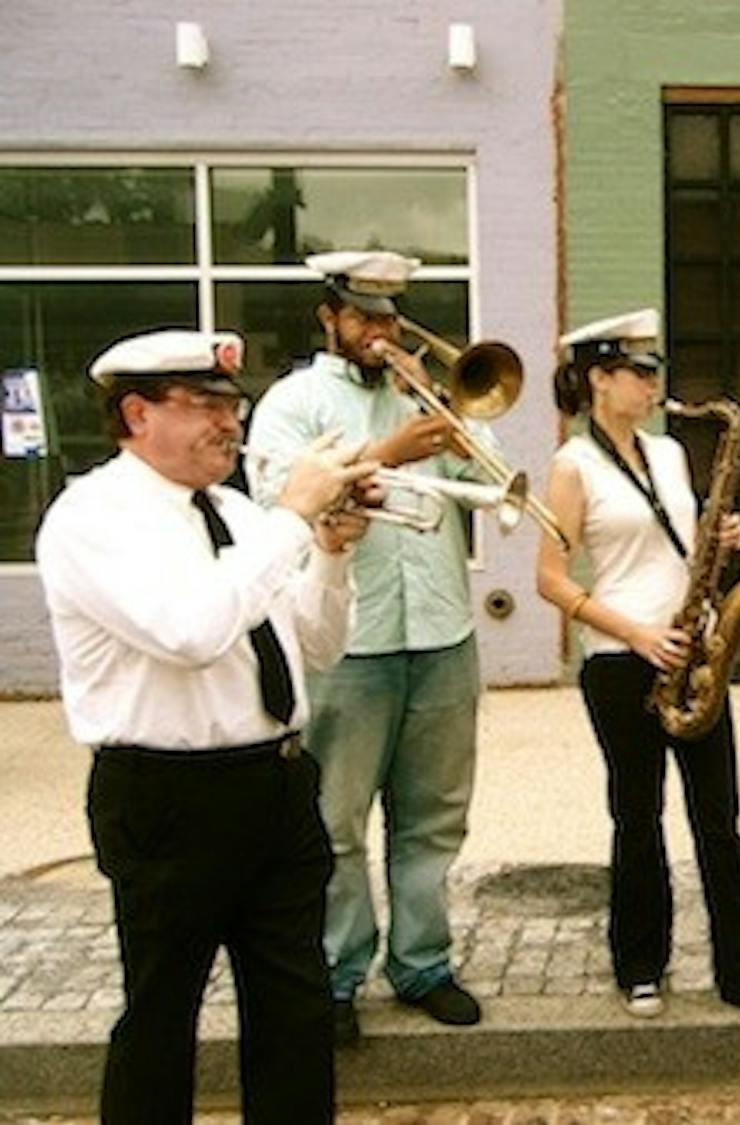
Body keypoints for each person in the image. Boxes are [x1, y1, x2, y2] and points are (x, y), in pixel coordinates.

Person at [35, 329, 377, 1124]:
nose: (230, 423)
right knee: (161, 1016)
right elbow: (190, 631)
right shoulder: (92, 517)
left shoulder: (235, 512)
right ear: (136, 413)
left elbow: (316, 647)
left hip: (277, 782)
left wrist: (328, 551)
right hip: (166, 794)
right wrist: (295, 515)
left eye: (233, 405)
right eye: (206, 405)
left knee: (295, 1014)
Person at [535, 308, 740, 1021]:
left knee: (720, 819)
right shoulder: (573, 465)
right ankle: (640, 966)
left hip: (694, 649)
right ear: (601, 378)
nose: (655, 382)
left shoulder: (666, 453)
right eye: (641, 370)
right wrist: (636, 634)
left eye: (655, 370)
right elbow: (552, 579)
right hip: (623, 662)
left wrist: (721, 539)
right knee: (638, 816)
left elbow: (684, 549)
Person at [247, 250, 491, 1045]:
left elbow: (488, 471)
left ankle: (422, 962)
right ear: (330, 315)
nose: (381, 332)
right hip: (350, 642)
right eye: (365, 316)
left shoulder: (424, 393)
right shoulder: (292, 402)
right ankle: (337, 972)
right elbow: (277, 498)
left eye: (391, 317)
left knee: (434, 817)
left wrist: (456, 416)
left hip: (443, 630)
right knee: (338, 820)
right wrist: (388, 452)